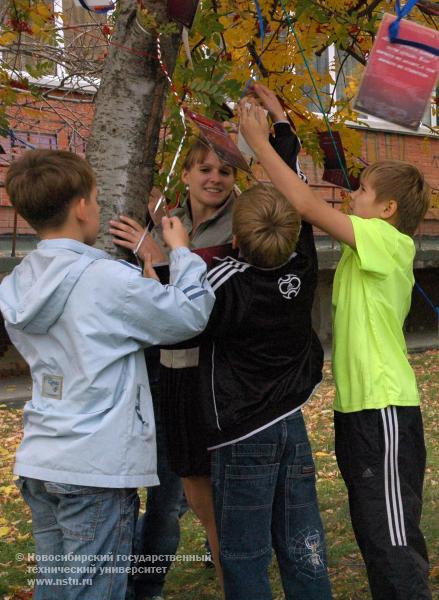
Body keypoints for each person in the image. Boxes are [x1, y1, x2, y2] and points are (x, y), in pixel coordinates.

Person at [109, 91, 306, 599]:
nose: (215, 178)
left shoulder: (244, 221)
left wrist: (163, 257)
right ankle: (224, 574)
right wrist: (148, 253)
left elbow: (204, 300)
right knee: (193, 490)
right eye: (204, 169)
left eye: (224, 169)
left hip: (220, 380)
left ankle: (237, 579)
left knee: (231, 507)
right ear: (188, 175)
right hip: (173, 373)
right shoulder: (166, 219)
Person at [239, 86, 432, 600]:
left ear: (388, 208)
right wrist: (282, 125)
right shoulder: (364, 247)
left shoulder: (389, 242)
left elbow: (303, 202)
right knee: (376, 533)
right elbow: (302, 199)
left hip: (383, 409)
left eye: (362, 191)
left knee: (392, 540)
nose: (352, 194)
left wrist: (256, 140)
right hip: (360, 413)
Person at [0, 149, 215, 600]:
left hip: (43, 459)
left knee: (57, 591)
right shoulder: (104, 278)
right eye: (96, 200)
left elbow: (91, 336)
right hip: (94, 469)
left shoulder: (18, 282)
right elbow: (190, 313)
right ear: (81, 207)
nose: (97, 208)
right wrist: (182, 253)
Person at [196, 185, 332, 599]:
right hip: (292, 427)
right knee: (303, 547)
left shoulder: (222, 285)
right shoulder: (304, 267)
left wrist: (171, 253)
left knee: (243, 556)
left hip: (242, 437)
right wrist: (278, 133)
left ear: (235, 238)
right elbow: (303, 206)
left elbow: (177, 313)